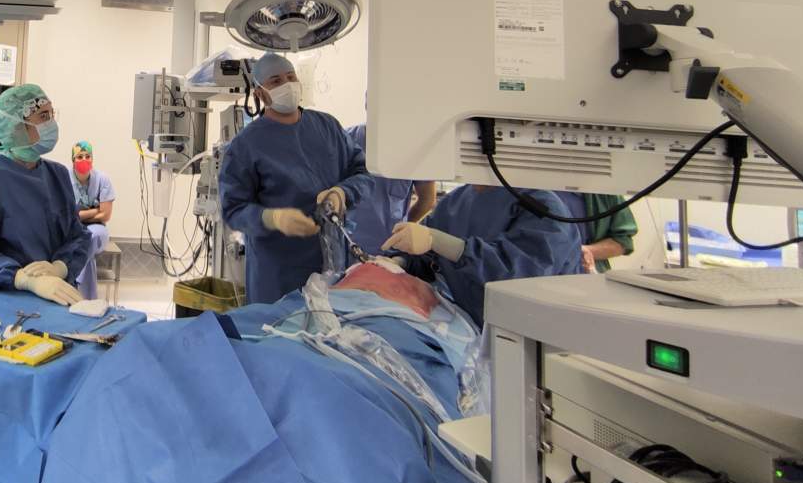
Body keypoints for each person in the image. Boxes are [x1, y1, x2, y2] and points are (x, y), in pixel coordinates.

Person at [218, 52, 372, 304]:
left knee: (329, 325)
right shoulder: (246, 145)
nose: (287, 85)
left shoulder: (328, 127)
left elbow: (363, 172)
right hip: (278, 274)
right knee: (279, 327)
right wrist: (272, 218)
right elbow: (233, 209)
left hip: (333, 265)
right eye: (276, 81)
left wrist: (342, 193)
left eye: (291, 77)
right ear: (260, 94)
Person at [0, 84, 89, 305]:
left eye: (52, 114)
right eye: (43, 116)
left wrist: (60, 267)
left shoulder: (57, 174)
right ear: (16, 127)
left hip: (59, 292)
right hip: (10, 298)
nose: (52, 124)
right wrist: (25, 279)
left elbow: (77, 235)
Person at [381, 184, 583, 326]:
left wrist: (446, 244)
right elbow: (430, 257)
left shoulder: (543, 208)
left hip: (534, 338)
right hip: (472, 329)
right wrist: (401, 262)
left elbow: (516, 275)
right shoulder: (456, 200)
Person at [343, 123, 437, 256]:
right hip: (347, 248)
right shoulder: (344, 140)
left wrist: (401, 231)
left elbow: (427, 200)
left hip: (390, 252)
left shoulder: (416, 147)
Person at [67, 141, 114, 298]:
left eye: (88, 156)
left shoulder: (102, 180)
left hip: (97, 228)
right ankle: (89, 300)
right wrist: (95, 210)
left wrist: (80, 215)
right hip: (72, 228)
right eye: (79, 156)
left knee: (90, 238)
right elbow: (67, 214)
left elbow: (106, 215)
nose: (84, 159)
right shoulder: (64, 179)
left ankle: (72, 279)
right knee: (86, 254)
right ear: (73, 160)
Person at [552, 191, 638, 272]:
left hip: (588, 272)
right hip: (550, 272)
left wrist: (582, 251)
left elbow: (622, 241)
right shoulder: (547, 194)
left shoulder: (605, 193)